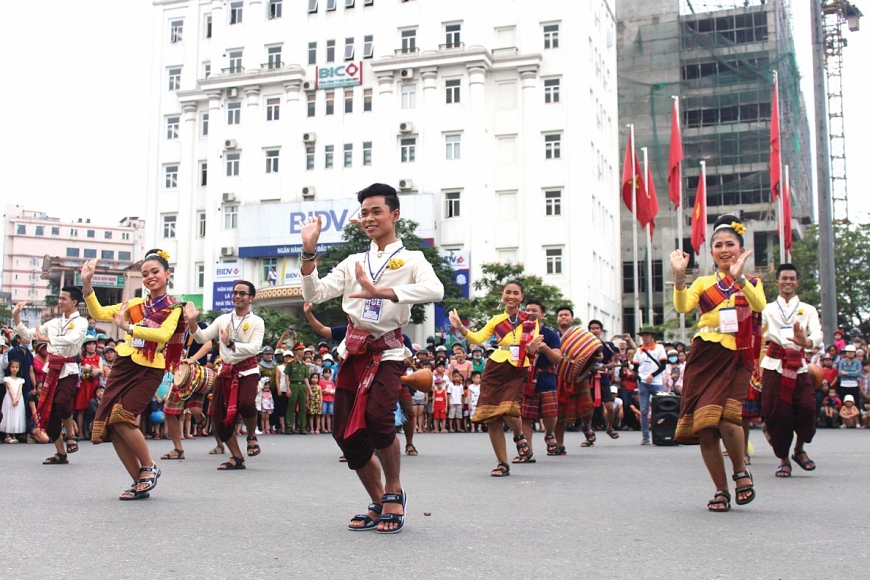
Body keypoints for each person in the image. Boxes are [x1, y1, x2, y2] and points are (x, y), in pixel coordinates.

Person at [301, 183, 444, 533]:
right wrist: (308, 252)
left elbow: (435, 290)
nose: (369, 218)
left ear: (394, 215)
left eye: (376, 211)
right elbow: (316, 293)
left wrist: (384, 291)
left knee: (380, 417)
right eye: (364, 212)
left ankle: (395, 490)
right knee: (344, 433)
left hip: (389, 351)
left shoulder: (413, 259)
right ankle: (378, 499)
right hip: (353, 351)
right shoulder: (353, 262)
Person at [671, 215, 766, 512]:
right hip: (705, 354)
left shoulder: (751, 282)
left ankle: (740, 472)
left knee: (727, 418)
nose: (724, 249)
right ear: (711, 252)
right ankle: (721, 490)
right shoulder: (702, 282)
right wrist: (678, 277)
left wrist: (738, 278)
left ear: (740, 248)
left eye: (730, 244)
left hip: (737, 355)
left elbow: (759, 305)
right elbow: (683, 306)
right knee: (706, 427)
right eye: (718, 245)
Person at [82, 251, 185, 500]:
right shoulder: (135, 305)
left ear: (167, 274)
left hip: (151, 366)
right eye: (145, 274)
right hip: (123, 364)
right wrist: (87, 284)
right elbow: (98, 313)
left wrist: (128, 327)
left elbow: (162, 335)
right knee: (112, 424)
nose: (150, 277)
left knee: (123, 417)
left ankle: (149, 467)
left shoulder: (174, 307)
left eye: (155, 272)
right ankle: (138, 480)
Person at [449, 280, 539, 477]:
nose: (512, 296)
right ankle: (502, 463)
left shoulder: (531, 319)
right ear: (503, 295)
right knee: (492, 417)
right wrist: (461, 329)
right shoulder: (497, 319)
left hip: (518, 367)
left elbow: (533, 343)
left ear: (521, 297)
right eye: (508, 292)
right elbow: (478, 338)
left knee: (509, 408)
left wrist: (533, 349)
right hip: (495, 367)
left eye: (516, 293)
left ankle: (519, 435)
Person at [184, 281, 265, 470]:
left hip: (248, 370)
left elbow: (254, 348)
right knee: (219, 417)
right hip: (226, 371)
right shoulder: (222, 320)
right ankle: (237, 457)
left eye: (242, 293)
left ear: (251, 298)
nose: (237, 296)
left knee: (246, 403)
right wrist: (192, 321)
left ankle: (252, 435)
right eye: (235, 293)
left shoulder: (257, 322)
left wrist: (229, 344)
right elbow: (202, 337)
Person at [759, 263, 823, 478]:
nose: (788, 282)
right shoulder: (766, 309)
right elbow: (758, 330)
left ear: (797, 282)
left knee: (807, 408)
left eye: (792, 278)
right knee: (778, 414)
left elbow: (817, 334)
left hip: (799, 365)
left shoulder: (808, 309)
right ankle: (783, 459)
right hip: (774, 365)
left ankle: (799, 449)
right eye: (784, 278)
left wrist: (807, 341)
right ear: (777, 281)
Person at [12, 288, 87, 463]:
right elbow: (30, 335)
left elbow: (72, 340)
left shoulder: (81, 322)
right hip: (52, 369)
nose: (60, 302)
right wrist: (16, 316)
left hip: (68, 368)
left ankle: (70, 434)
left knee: (62, 401)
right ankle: (61, 453)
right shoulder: (53, 323)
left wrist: (46, 340)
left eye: (63, 299)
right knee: (49, 414)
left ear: (74, 302)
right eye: (59, 298)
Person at [160, 320, 213, 460]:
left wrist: (193, 358)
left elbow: (209, 344)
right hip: (179, 376)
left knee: (195, 410)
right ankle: (178, 449)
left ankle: (219, 443)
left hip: (196, 374)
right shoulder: (173, 329)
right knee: (169, 412)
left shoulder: (199, 326)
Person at [519, 299, 562, 459]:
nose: (531, 313)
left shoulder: (550, 335)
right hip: (525, 378)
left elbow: (557, 358)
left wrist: (545, 349)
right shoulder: (519, 332)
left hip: (545, 377)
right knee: (525, 417)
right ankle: (527, 451)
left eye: (535, 310)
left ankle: (549, 433)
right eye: (528, 310)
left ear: (542, 314)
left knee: (550, 414)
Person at [632, 328, 667, 445]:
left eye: (647, 335)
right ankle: (645, 436)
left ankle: (661, 434)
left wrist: (653, 375)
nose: (645, 338)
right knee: (644, 410)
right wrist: (636, 375)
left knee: (661, 409)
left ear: (652, 336)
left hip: (656, 382)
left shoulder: (659, 348)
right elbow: (636, 367)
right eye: (643, 336)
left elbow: (663, 366)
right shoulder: (639, 350)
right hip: (643, 383)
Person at [587, 320, 618, 439]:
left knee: (610, 406)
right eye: (592, 328)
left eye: (597, 328)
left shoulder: (607, 345)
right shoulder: (585, 345)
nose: (595, 330)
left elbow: (612, 361)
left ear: (601, 330)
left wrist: (605, 366)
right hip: (589, 379)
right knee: (588, 408)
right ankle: (588, 433)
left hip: (603, 378)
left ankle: (610, 427)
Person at [75, 336, 104, 440]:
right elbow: (77, 369)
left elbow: (102, 371)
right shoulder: (81, 357)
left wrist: (96, 370)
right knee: (81, 409)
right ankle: (80, 432)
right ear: (85, 346)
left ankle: (89, 430)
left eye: (93, 344)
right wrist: (84, 368)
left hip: (94, 386)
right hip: (83, 384)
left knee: (92, 408)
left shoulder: (98, 358)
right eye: (89, 344)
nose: (91, 347)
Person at [284, 342, 311, 434]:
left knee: (303, 407)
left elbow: (306, 378)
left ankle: (302, 427)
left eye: (303, 349)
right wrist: (288, 388)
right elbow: (287, 376)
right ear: (295, 351)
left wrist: (309, 389)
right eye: (300, 350)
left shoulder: (304, 365)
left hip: (302, 386)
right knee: (291, 406)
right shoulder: (291, 363)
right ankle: (289, 427)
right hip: (293, 385)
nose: (302, 351)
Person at [1, 360, 26, 443]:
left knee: (16, 415)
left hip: (18, 399)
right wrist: (13, 399)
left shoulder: (20, 380)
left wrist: (17, 399)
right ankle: (7, 435)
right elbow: (10, 389)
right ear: (9, 368)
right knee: (8, 415)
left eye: (16, 367)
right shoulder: (7, 379)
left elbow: (20, 390)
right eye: (12, 367)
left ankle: (14, 434)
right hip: (9, 398)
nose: (14, 369)